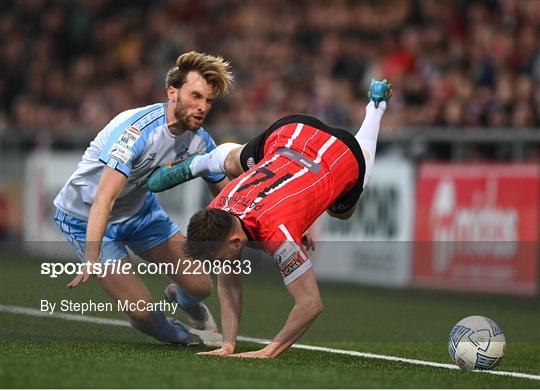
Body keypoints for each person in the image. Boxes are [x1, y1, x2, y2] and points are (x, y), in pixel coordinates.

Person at [147, 79, 391, 357]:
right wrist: (228, 344)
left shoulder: (278, 235)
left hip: (339, 152)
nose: (217, 267)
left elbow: (311, 304)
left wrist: (269, 351)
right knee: (235, 162)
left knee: (343, 211)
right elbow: (230, 278)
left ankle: (376, 106)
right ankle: (207, 160)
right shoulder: (218, 207)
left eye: (216, 260)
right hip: (292, 130)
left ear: (236, 240)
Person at [53, 51, 233, 346]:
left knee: (200, 287)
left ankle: (184, 301)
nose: (202, 107)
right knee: (142, 313)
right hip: (85, 217)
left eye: (209, 101)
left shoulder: (201, 140)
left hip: (139, 212)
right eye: (196, 96)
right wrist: (91, 257)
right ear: (172, 93)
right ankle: (186, 336)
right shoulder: (135, 132)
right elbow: (104, 199)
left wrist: (265, 228)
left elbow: (226, 197)